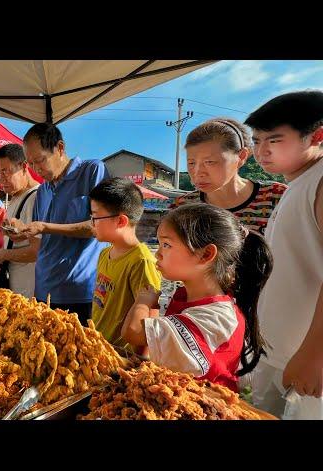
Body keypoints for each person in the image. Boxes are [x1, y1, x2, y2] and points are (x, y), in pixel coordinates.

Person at [121, 203, 273, 392]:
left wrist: (143, 301)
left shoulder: (216, 316)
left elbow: (133, 332)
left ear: (206, 254)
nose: (157, 254)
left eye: (166, 245)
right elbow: (151, 341)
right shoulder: (186, 296)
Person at [244, 90, 323, 419]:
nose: (260, 151)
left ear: (317, 136)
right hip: (278, 353)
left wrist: (315, 353)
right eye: (257, 139)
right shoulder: (299, 183)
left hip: (304, 361)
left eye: (274, 140)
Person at [16, 122, 111, 323]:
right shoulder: (42, 191)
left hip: (79, 290)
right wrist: (22, 232)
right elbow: (39, 242)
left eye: (40, 160)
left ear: (60, 148)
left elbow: (99, 226)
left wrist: (44, 226)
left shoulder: (92, 171)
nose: (35, 169)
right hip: (44, 288)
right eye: (30, 164)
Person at [173, 117, 286, 234]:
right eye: (191, 163)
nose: (198, 172)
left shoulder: (277, 197)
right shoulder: (182, 207)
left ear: (241, 156)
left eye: (209, 162)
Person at [88, 179, 161, 349]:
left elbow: (150, 321)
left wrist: (141, 362)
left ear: (121, 221)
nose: (91, 223)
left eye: (95, 217)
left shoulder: (141, 262)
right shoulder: (105, 253)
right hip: (99, 348)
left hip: (122, 359)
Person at [0, 144, 40, 298]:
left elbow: (36, 252)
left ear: (24, 167)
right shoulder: (15, 197)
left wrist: (4, 254)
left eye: (6, 171)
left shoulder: (36, 197)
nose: (1, 180)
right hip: (15, 285)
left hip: (30, 289)